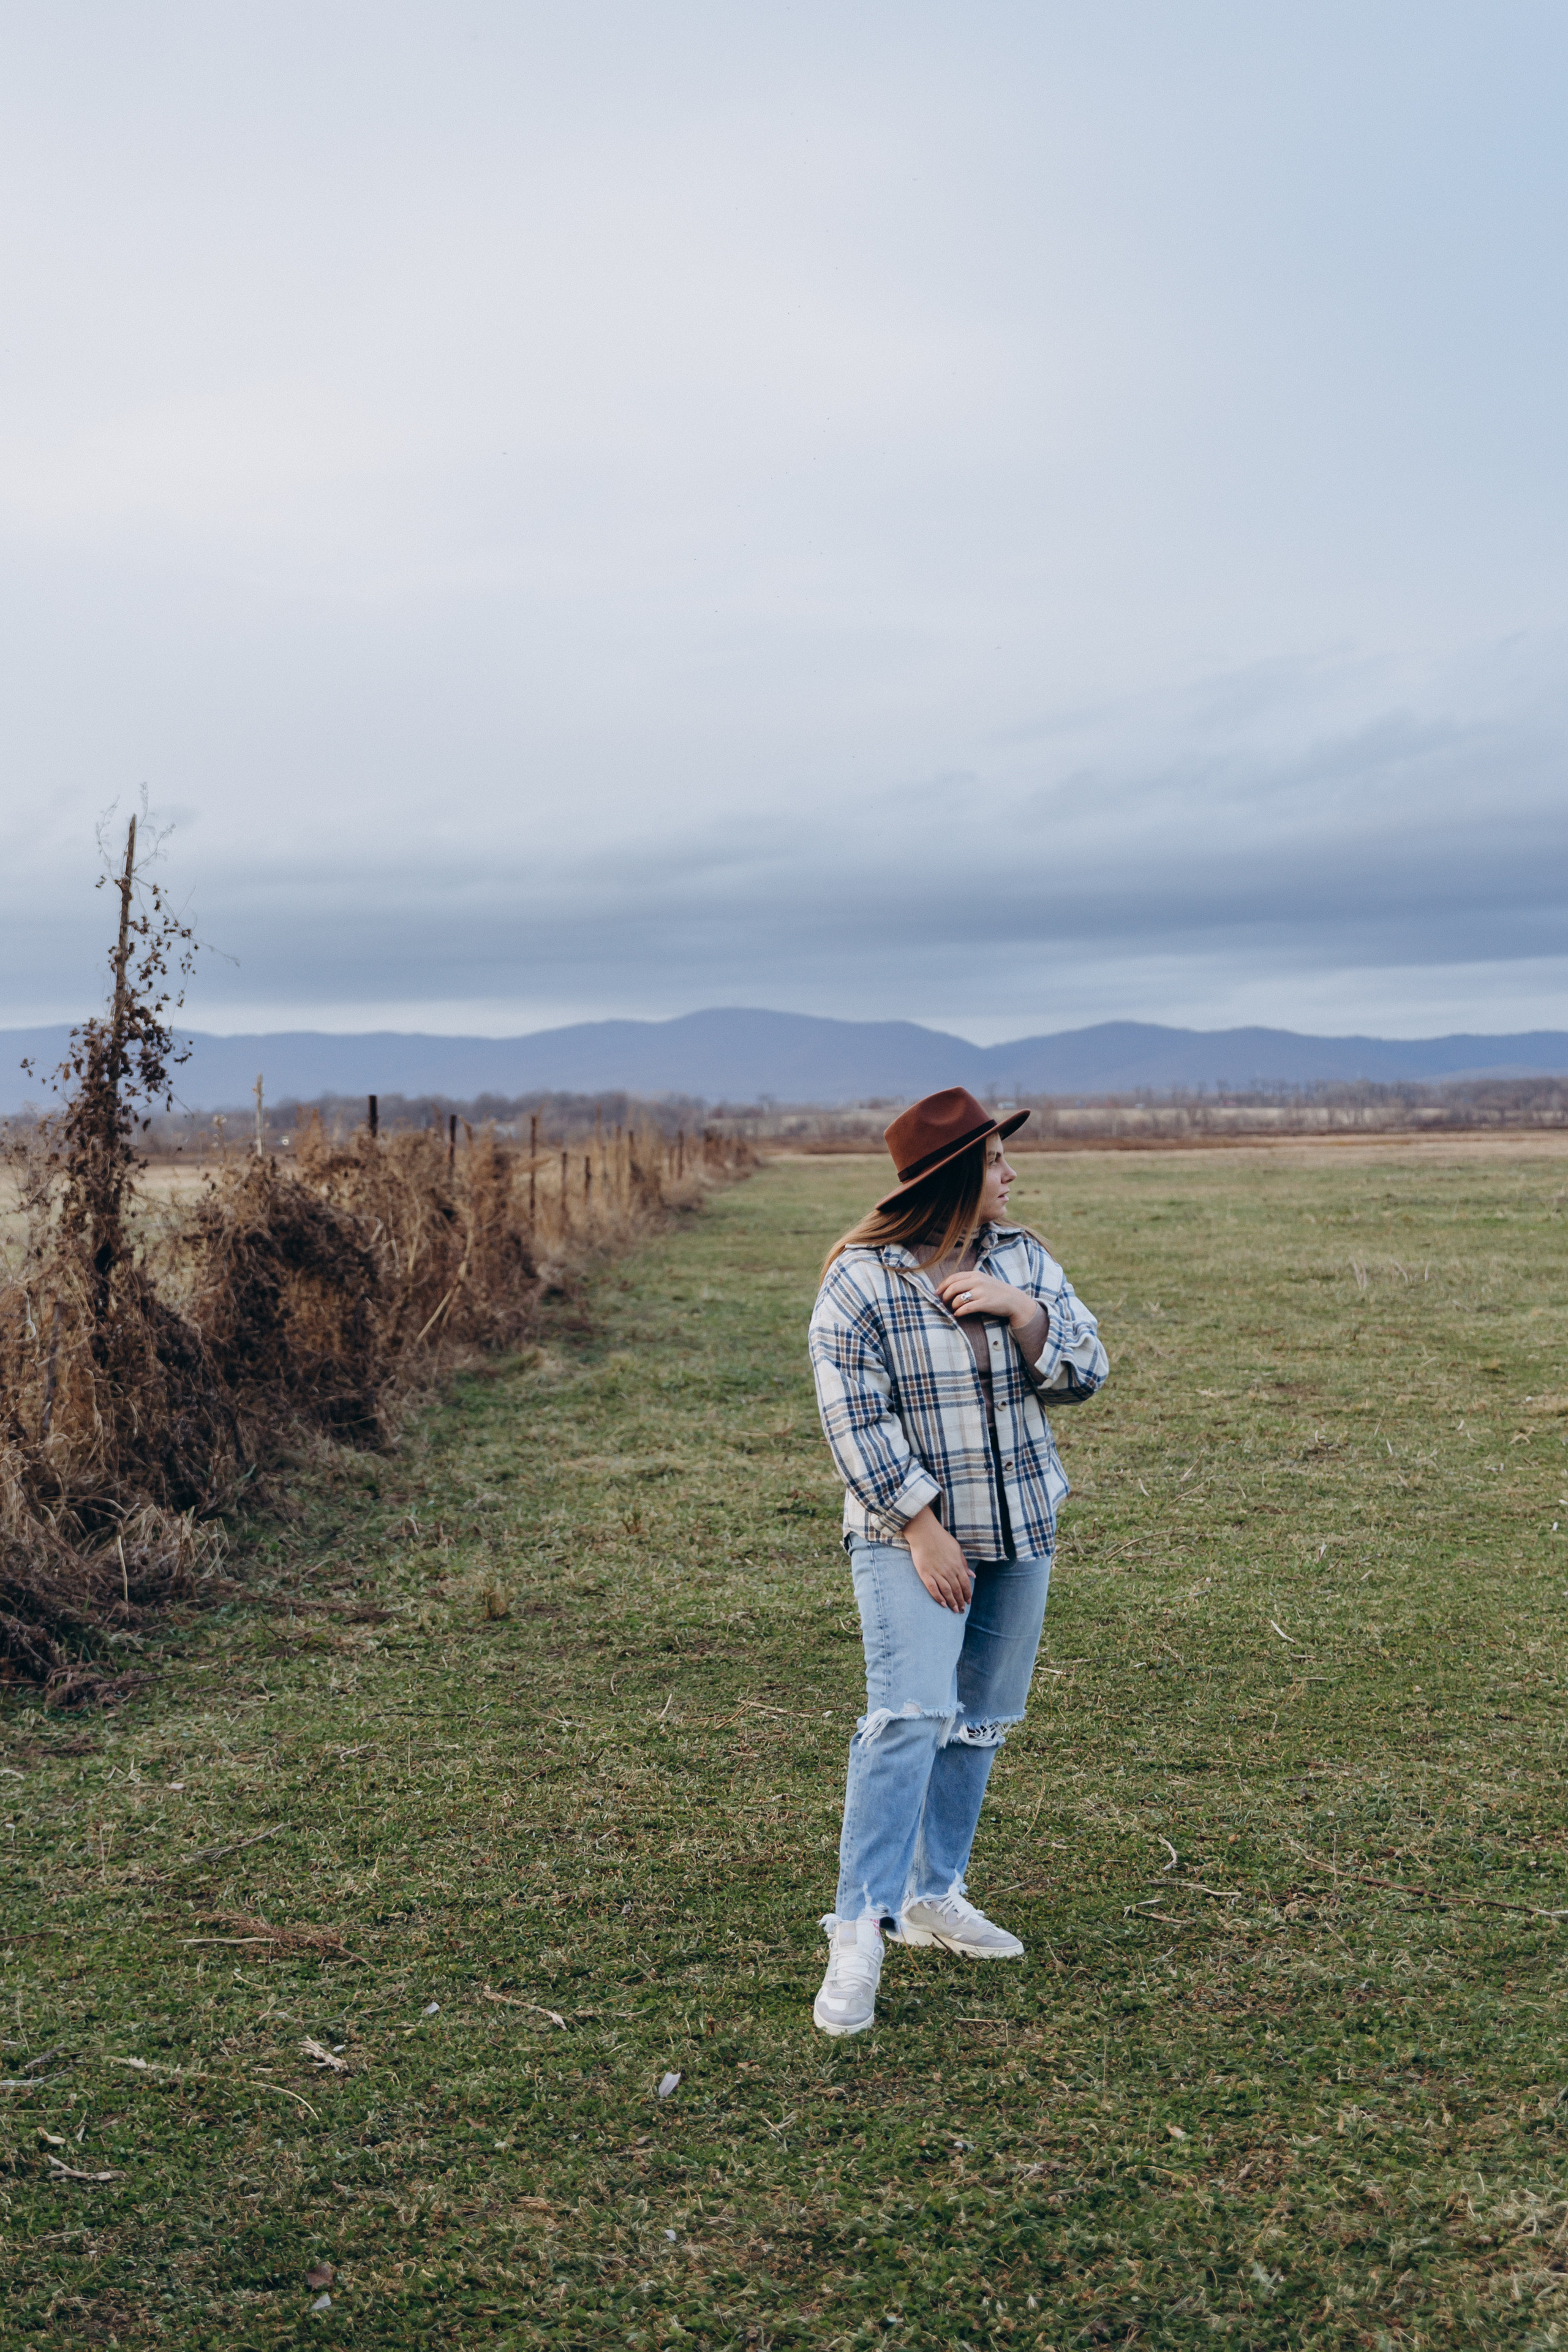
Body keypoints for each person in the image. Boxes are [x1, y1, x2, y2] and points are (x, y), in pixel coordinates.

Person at [806, 1085, 1109, 2037]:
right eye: (994, 1161)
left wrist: (1024, 1313)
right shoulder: (860, 1281)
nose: (1012, 1174)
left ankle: (933, 1895)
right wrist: (921, 1527)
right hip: (911, 1537)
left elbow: (1088, 1371)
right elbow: (852, 1418)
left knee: (978, 1723)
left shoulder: (1023, 1260)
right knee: (909, 1716)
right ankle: (859, 1927)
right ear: (948, 1179)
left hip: (1022, 1526)